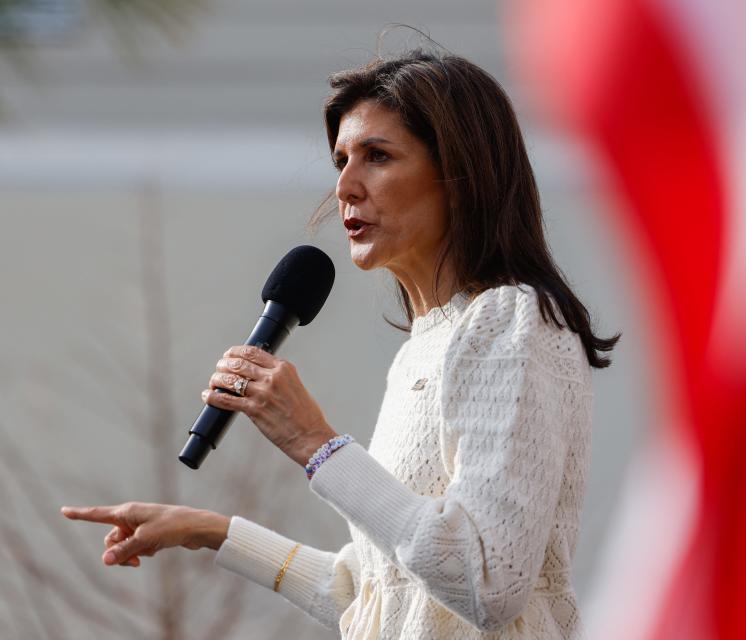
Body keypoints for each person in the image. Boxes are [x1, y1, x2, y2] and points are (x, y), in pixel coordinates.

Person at [62, 49, 619, 639]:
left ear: (460, 174)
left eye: (377, 157)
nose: (345, 187)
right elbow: (381, 595)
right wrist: (210, 530)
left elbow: (486, 582)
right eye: (340, 160)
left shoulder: (509, 324)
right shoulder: (427, 346)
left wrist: (313, 441)